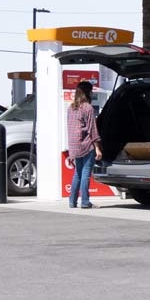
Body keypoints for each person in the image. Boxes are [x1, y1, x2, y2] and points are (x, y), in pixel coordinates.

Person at [66, 81, 102, 209]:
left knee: (78, 173)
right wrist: (98, 148)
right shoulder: (88, 108)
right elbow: (92, 130)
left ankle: (72, 201)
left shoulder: (71, 108)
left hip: (74, 146)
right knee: (86, 173)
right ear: (88, 93)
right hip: (86, 145)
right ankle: (85, 202)